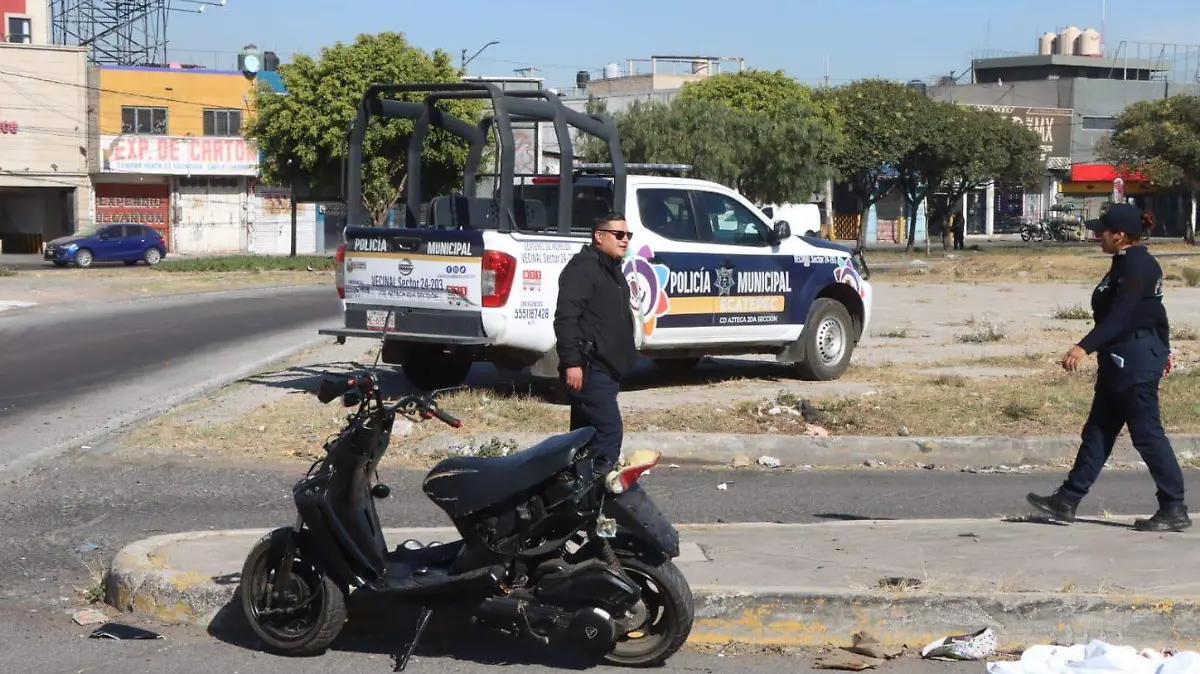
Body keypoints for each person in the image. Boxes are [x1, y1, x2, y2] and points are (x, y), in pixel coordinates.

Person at [1026, 202, 1188, 532]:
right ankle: (1067, 500)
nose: (1097, 234)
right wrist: (1163, 349)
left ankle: (1173, 507)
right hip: (1122, 359)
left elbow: (1122, 316)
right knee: (1099, 431)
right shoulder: (1125, 262)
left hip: (1134, 361)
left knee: (1147, 435)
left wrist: (1084, 346)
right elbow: (1155, 314)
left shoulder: (1137, 267)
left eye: (1103, 230)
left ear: (1121, 235)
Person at [553, 211, 637, 474]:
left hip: (607, 369)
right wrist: (572, 362)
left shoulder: (611, 269)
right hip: (590, 369)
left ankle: (574, 494)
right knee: (608, 432)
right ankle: (599, 488)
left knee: (582, 438)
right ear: (598, 236)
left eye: (628, 235)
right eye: (619, 235)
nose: (625, 240)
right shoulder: (583, 268)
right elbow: (566, 318)